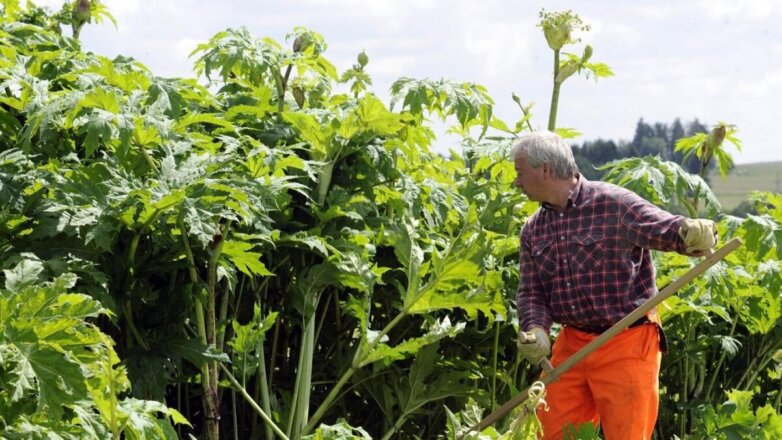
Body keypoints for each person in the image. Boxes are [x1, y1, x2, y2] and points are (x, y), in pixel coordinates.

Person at [511, 131, 716, 439]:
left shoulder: (614, 204)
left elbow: (666, 229)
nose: (516, 182)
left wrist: (692, 232)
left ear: (545, 170)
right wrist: (536, 328)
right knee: (547, 432)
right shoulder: (532, 230)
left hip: (627, 341)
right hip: (572, 345)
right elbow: (531, 292)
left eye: (519, 172)